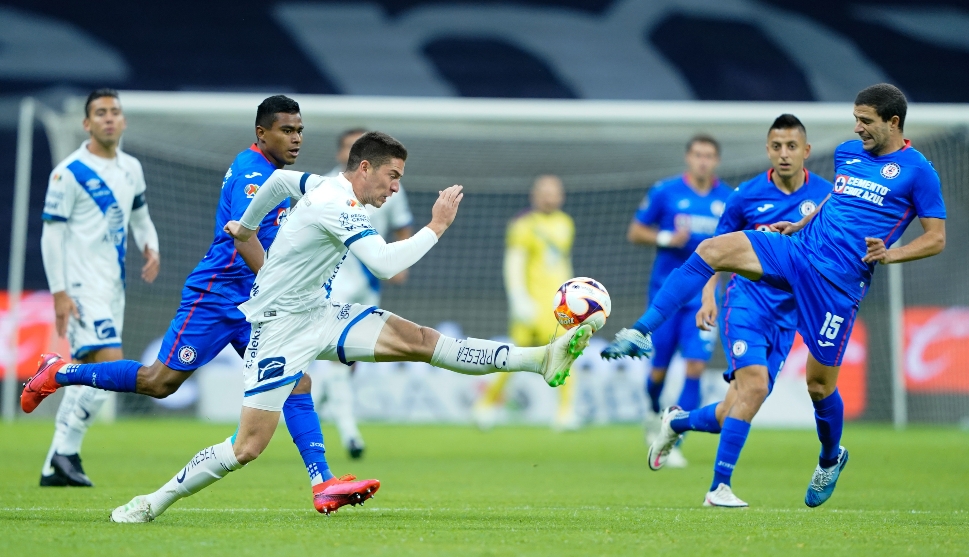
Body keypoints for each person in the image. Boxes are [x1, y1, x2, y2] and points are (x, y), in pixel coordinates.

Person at [86, 131, 593, 522]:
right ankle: (150, 502)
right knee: (247, 448)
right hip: (279, 329)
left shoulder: (320, 184)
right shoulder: (338, 205)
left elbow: (282, 181)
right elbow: (385, 265)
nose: (396, 188)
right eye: (392, 177)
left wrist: (245, 225)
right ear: (365, 168)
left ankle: (540, 359)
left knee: (422, 341)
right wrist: (436, 225)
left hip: (320, 314)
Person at [603, 84, 947, 508]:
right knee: (713, 249)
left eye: (866, 120)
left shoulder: (918, 171)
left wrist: (891, 254)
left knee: (819, 388)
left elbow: (936, 238)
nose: (856, 128)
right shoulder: (847, 153)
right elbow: (835, 199)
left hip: (838, 286)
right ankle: (641, 330)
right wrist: (800, 227)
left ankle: (829, 457)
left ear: (893, 122)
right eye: (855, 118)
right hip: (797, 252)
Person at [23, 95, 345, 512]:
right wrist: (279, 289)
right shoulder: (253, 173)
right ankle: (61, 372)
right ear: (261, 133)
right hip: (218, 295)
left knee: (296, 381)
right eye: (287, 130)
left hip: (255, 302)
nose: (296, 138)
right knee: (160, 382)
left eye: (300, 130)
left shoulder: (273, 173)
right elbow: (242, 235)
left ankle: (323, 482)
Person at [649, 114, 833, 507]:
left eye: (792, 146)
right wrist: (708, 295)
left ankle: (676, 421)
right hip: (746, 303)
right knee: (755, 387)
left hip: (789, 317)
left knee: (732, 409)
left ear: (806, 151)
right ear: (768, 150)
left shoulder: (825, 196)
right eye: (776, 146)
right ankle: (719, 488)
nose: (784, 154)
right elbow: (714, 249)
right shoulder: (746, 195)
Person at [37, 88, 160, 487]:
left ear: (123, 121)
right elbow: (51, 236)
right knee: (112, 367)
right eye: (100, 113)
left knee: (92, 375)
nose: (109, 118)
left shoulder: (131, 168)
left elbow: (139, 215)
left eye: (115, 112)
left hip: (113, 286)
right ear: (87, 124)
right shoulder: (69, 172)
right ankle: (64, 451)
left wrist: (151, 245)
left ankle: (57, 461)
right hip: (80, 286)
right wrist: (59, 292)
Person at [308, 128, 414, 458]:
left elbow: (401, 224)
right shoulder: (323, 187)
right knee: (339, 360)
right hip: (334, 281)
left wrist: (400, 260)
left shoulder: (389, 187)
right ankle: (350, 433)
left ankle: (319, 406)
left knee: (348, 360)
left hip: (370, 283)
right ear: (344, 155)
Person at [628, 135, 732, 466]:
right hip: (666, 296)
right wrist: (666, 238)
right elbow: (636, 231)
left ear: (716, 160)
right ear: (689, 157)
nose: (703, 161)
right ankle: (651, 410)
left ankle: (673, 439)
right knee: (658, 370)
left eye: (709, 156)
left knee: (696, 366)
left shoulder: (728, 199)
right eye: (698, 154)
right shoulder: (666, 191)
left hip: (703, 299)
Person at [473, 175, 578, 430]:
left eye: (554, 192)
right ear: (534, 195)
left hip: (559, 305)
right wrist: (519, 299)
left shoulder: (566, 223)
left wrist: (573, 294)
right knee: (513, 358)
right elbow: (514, 263)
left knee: (567, 354)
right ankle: (485, 405)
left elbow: (563, 262)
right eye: (544, 191)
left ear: (561, 196)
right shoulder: (523, 224)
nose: (549, 196)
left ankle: (565, 413)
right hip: (531, 304)